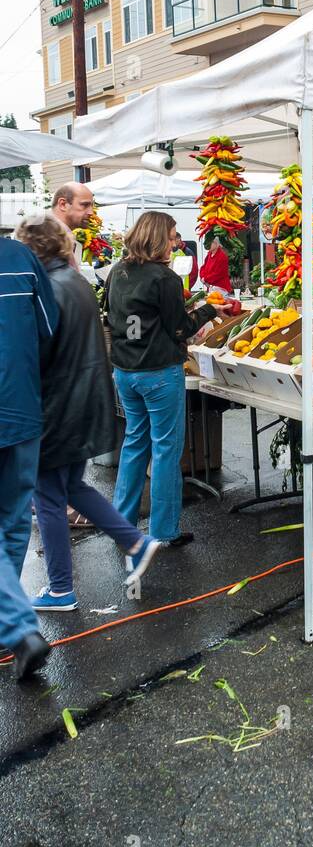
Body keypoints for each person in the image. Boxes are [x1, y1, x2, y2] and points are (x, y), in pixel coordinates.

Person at [15, 215, 160, 611]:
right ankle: (135, 540)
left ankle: (61, 589)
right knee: (72, 488)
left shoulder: (46, 289)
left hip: (56, 408)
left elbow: (34, 356)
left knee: (47, 495)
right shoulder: (74, 281)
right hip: (83, 403)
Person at [104, 212, 227, 548]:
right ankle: (163, 530)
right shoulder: (165, 278)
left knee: (134, 445)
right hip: (159, 373)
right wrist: (210, 310)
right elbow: (180, 328)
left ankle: (122, 525)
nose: (176, 242)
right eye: (173, 236)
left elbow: (117, 318)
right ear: (159, 237)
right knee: (165, 451)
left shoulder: (118, 271)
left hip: (125, 372)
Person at [0, 233, 58, 680]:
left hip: (19, 408)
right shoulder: (20, 257)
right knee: (15, 520)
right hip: (22, 407)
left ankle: (18, 629)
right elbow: (47, 329)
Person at [51, 182, 95, 267]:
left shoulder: (54, 238)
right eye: (84, 205)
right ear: (63, 204)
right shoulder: (45, 240)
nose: (91, 212)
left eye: (91, 206)